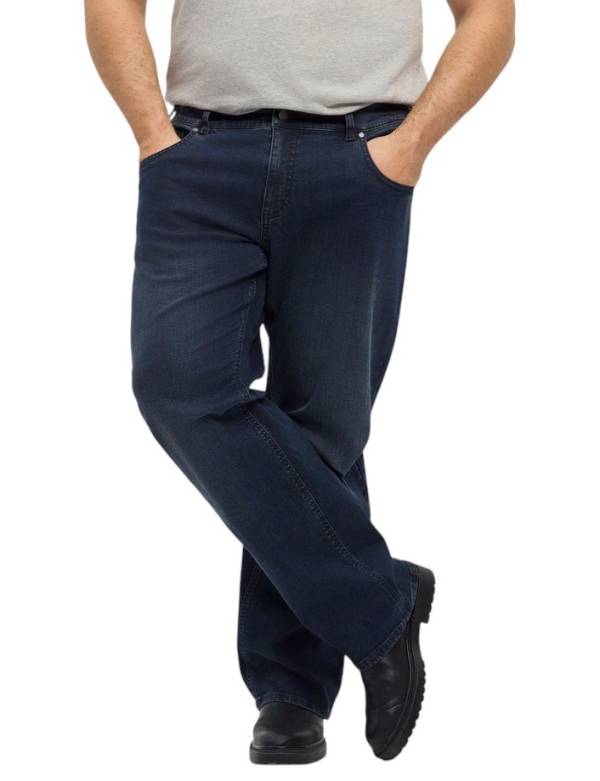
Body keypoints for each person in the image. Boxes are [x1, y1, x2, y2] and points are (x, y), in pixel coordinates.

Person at [85, 0, 515, 764]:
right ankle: (380, 602)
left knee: (323, 425)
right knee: (176, 379)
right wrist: (153, 135)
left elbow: (490, 16)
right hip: (201, 150)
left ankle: (291, 690)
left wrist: (408, 148)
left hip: (359, 154)